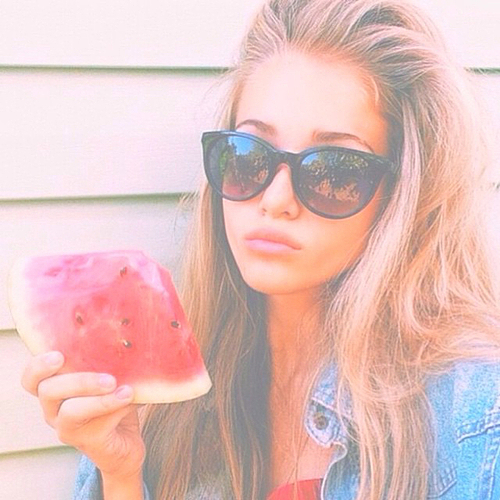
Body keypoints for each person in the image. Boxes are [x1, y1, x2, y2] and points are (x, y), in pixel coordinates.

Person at [21, 0, 500, 499]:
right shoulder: (161, 402)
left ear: (402, 196)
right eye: (248, 155)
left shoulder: (477, 418)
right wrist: (121, 474)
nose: (275, 200)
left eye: (333, 171)